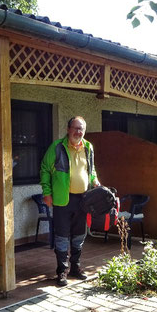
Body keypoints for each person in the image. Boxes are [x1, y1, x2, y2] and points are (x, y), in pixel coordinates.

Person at [40, 116, 99, 286]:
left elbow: (91, 168)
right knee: (62, 236)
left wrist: (95, 180)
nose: (78, 132)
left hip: (83, 199)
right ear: (68, 129)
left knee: (79, 236)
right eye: (75, 128)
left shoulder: (88, 147)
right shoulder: (57, 147)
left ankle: (75, 268)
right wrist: (47, 192)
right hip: (62, 200)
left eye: (81, 129)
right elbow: (44, 169)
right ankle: (61, 272)